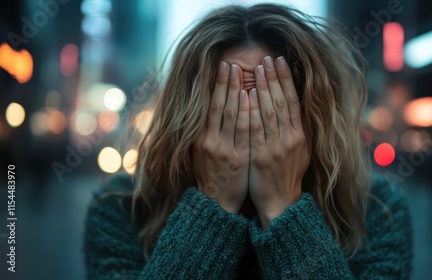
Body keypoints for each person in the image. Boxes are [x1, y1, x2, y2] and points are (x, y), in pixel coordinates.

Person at [83, 3, 413, 279]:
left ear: (315, 115)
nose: (248, 125)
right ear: (186, 118)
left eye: (272, 105)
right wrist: (212, 203)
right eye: (226, 106)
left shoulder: (378, 213)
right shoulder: (119, 208)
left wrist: (284, 207)